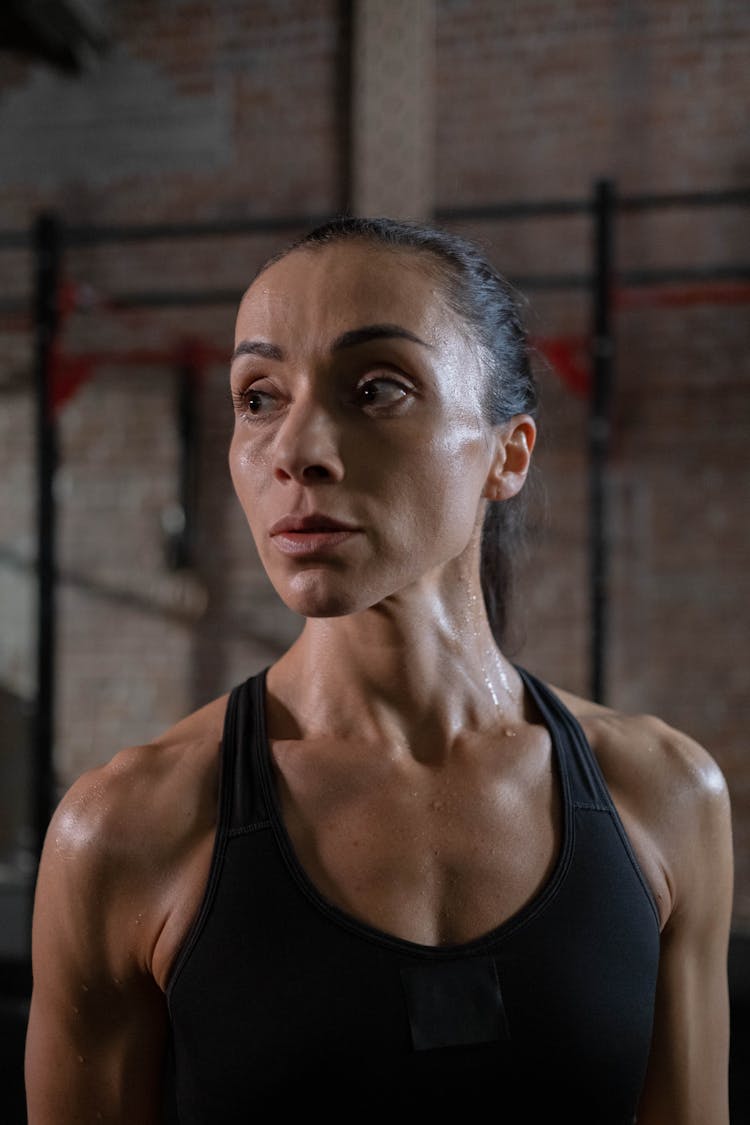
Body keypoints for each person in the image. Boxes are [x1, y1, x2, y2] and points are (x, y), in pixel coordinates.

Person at [25, 217, 733, 1123]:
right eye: (258, 397)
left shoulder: (666, 795)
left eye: (376, 387)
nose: (295, 450)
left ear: (506, 453)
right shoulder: (125, 831)